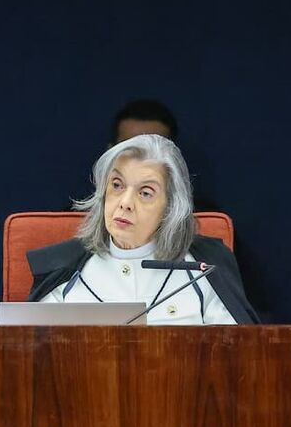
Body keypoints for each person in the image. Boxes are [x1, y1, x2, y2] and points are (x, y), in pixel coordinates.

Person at [30, 134, 259, 324]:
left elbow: (237, 358)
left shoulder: (204, 270)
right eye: (117, 185)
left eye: (145, 193)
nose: (125, 202)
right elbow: (32, 360)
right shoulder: (63, 272)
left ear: (170, 208)